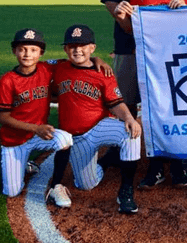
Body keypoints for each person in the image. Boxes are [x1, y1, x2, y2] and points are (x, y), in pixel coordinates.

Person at [50, 24, 144, 214]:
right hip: (77, 137)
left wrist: (129, 118)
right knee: (86, 184)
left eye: (83, 45)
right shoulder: (57, 67)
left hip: (99, 126)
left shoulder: (103, 73)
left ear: (92, 47)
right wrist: (95, 58)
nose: (77, 50)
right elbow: (33, 64)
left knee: (130, 133)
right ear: (65, 49)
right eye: (72, 46)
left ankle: (126, 191)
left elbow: (115, 102)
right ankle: (107, 159)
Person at [126, 0, 187, 189]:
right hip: (149, 64)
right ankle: (155, 167)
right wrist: (125, 16)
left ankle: (177, 164)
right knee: (152, 115)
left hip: (175, 62)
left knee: (175, 113)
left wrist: (185, 9)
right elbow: (132, 31)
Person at [0, 28, 75, 200]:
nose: (27, 54)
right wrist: (35, 128)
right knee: (12, 192)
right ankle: (24, 163)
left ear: (41, 53)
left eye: (33, 50)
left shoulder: (46, 68)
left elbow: (73, 60)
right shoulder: (7, 80)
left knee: (65, 139)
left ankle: (56, 186)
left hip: (37, 135)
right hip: (14, 141)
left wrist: (97, 59)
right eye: (22, 49)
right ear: (14, 51)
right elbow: (3, 118)